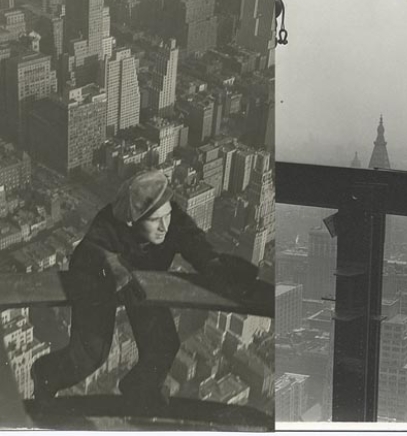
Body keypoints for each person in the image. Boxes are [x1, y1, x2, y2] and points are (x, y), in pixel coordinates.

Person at [31, 170, 259, 408]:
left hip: (142, 285)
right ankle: (45, 374)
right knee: (90, 355)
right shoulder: (110, 222)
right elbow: (88, 250)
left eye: (167, 216)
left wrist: (214, 264)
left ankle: (139, 387)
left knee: (164, 344)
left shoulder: (172, 219)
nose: (164, 227)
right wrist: (110, 263)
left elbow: (194, 241)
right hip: (103, 284)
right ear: (133, 220)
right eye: (154, 220)